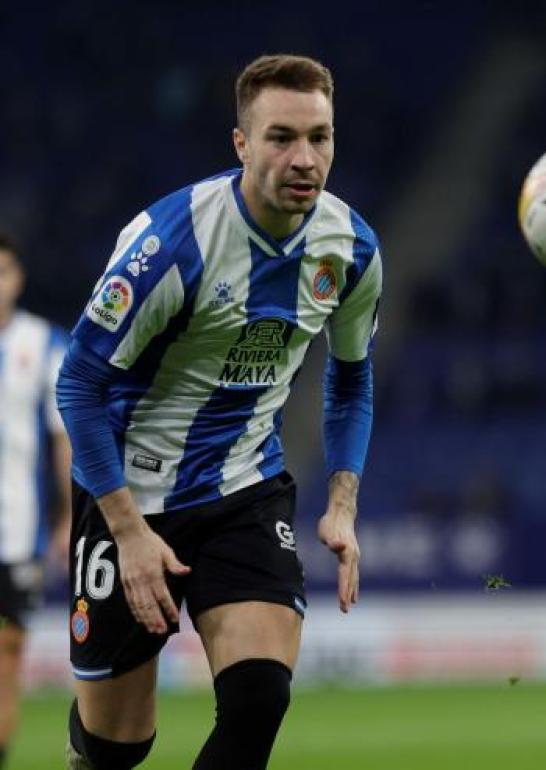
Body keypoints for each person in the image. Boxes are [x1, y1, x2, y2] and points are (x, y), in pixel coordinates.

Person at [55, 54, 382, 769]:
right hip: (130, 496)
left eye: (319, 137)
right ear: (241, 143)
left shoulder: (351, 248)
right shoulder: (172, 242)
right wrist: (128, 532)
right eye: (281, 137)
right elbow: (77, 385)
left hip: (244, 488)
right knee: (114, 750)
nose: (304, 159)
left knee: (259, 698)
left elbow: (351, 379)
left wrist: (342, 501)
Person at [0, 233, 72, 769]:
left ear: (18, 278)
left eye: (2, 272)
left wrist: (68, 519)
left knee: (8, 655)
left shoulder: (45, 344)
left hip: (17, 530)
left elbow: (63, 439)